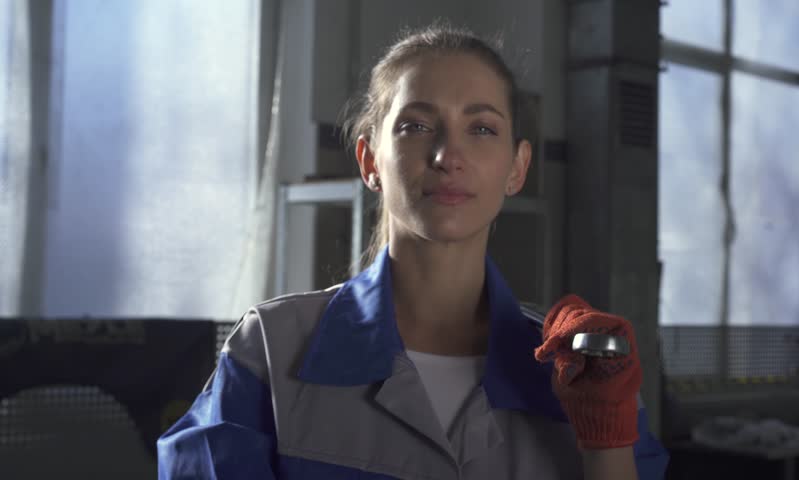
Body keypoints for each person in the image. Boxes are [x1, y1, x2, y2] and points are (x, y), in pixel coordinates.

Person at [157, 23, 669, 479]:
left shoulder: (582, 375)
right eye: (416, 126)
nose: (448, 157)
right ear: (369, 159)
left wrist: (606, 445)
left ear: (517, 168)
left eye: (482, 129)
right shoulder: (269, 352)